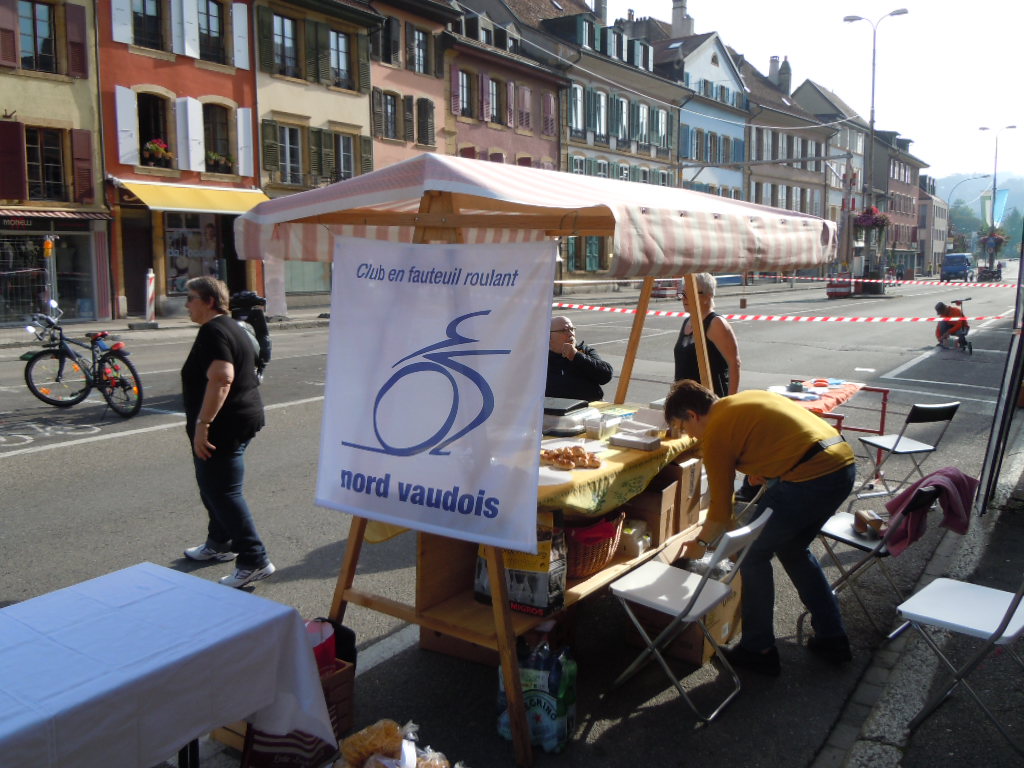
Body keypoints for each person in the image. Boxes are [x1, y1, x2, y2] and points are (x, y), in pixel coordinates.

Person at [664, 379, 856, 676]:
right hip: (842, 464)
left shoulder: (715, 432)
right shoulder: (743, 400)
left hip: (810, 478)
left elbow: (720, 511)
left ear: (693, 414)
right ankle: (833, 637)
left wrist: (699, 547)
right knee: (793, 550)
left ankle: (759, 649)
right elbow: (776, 438)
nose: (688, 436)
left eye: (684, 427)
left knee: (751, 554)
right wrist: (762, 470)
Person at [181, 276, 275, 588]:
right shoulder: (233, 326)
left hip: (223, 426)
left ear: (208, 301)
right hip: (242, 419)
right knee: (212, 487)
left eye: (191, 297)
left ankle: (254, 559)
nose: (186, 304)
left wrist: (202, 425)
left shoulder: (213, 331)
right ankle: (219, 542)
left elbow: (222, 377)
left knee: (223, 492)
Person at [673, 272, 740, 396]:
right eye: (683, 293)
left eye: (690, 294)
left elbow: (734, 364)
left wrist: (729, 404)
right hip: (686, 404)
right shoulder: (687, 322)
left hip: (710, 404)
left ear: (708, 296)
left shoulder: (716, 324)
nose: (684, 298)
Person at [545, 315, 613, 402]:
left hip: (589, 408)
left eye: (572, 329)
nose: (571, 334)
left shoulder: (585, 351)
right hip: (555, 410)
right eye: (564, 330)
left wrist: (576, 356)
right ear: (548, 336)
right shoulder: (541, 358)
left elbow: (605, 376)